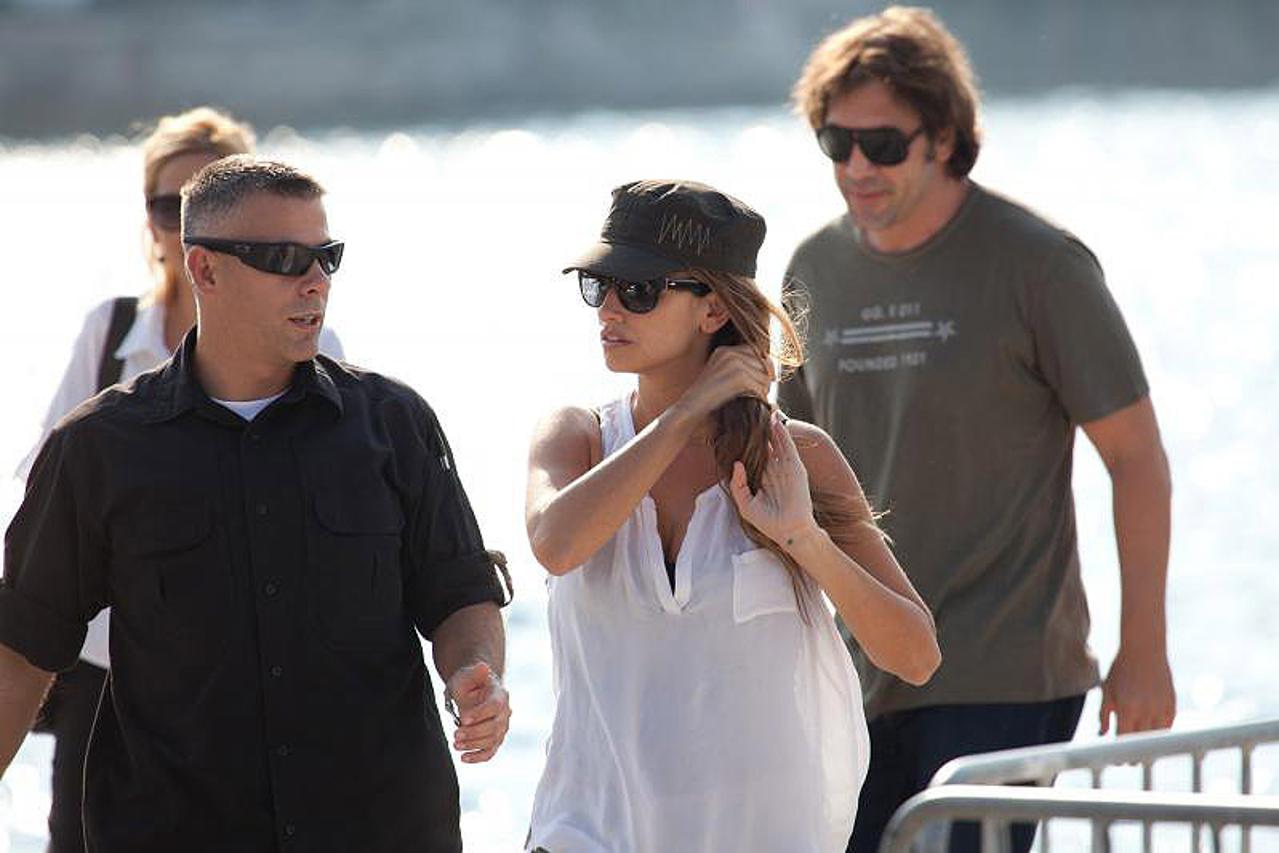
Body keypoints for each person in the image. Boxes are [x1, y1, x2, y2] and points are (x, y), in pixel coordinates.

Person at [0, 156, 511, 852]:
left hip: (381, 829)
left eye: (327, 256)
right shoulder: (97, 448)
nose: (315, 280)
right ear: (204, 269)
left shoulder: (394, 423)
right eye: (284, 259)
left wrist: (475, 675)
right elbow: (23, 648)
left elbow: (458, 590)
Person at [782, 7, 1175, 851]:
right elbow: (790, 474)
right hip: (859, 666)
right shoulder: (812, 268)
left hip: (1006, 672)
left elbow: (1135, 457)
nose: (857, 166)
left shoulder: (1039, 264)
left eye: (882, 144)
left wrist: (1142, 648)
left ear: (943, 137)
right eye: (836, 142)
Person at [524, 179, 939, 851]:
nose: (610, 307)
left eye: (639, 289)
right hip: (588, 832)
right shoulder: (579, 437)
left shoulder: (795, 455)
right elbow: (556, 544)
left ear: (713, 308)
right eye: (599, 285)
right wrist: (686, 411)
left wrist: (803, 538)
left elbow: (913, 654)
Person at [13, 104, 348, 853]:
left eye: (202, 199)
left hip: (250, 679)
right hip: (104, 674)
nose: (181, 222)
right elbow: (47, 487)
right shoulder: (109, 333)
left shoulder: (316, 345)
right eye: (167, 206)